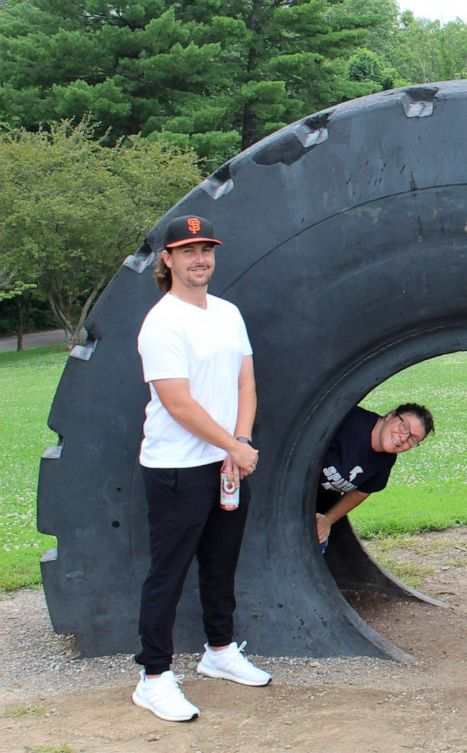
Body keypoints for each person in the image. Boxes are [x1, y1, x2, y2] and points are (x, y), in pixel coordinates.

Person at [132, 214, 271, 723]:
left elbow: (245, 384)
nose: (199, 259)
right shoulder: (163, 322)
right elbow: (178, 404)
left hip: (225, 461)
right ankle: (153, 677)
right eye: (187, 251)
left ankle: (218, 652)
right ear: (167, 260)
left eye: (205, 249)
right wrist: (232, 449)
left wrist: (240, 441)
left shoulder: (228, 313)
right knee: (167, 574)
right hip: (176, 469)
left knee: (221, 563)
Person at [315, 403, 434, 551]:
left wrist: (328, 520)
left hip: (313, 503)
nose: (404, 438)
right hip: (284, 487)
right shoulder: (349, 420)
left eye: (413, 439)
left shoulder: (386, 460)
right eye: (404, 427)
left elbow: (362, 492)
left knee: (316, 543)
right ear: (391, 415)